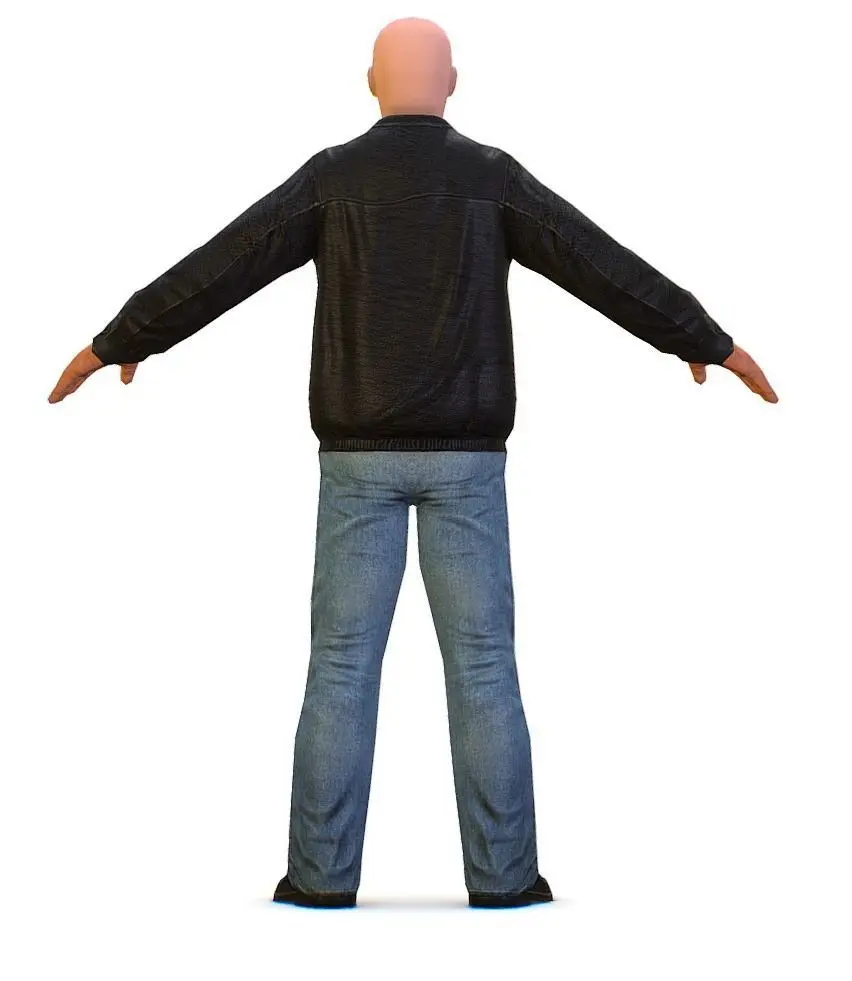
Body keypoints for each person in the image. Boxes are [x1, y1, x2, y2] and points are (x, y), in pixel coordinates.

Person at [47, 17, 778, 910]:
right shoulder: (490, 177)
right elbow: (598, 261)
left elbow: (226, 261)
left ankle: (320, 881)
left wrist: (124, 338)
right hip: (468, 459)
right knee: (484, 667)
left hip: (356, 459)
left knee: (340, 667)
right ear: (453, 83)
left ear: (371, 83)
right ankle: (505, 881)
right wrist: (700, 337)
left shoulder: (333, 178)